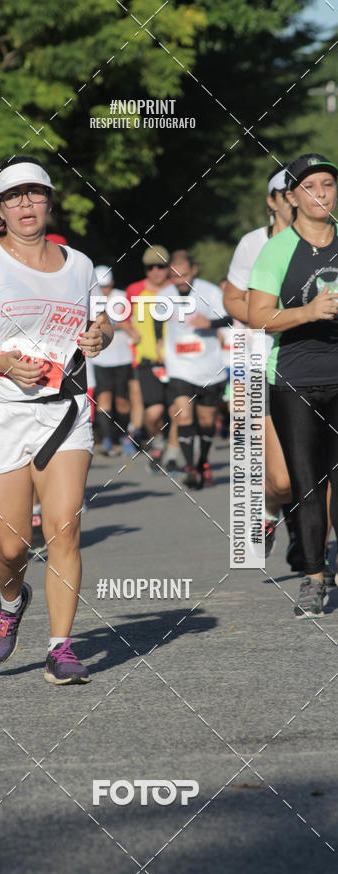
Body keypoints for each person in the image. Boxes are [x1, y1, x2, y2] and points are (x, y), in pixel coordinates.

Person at [0, 155, 113, 684]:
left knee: (64, 528)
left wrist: (100, 336)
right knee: (12, 545)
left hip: (65, 412)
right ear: (0, 208)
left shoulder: (79, 265)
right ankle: (11, 600)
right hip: (1, 413)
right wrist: (2, 364)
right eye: (13, 197)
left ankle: (61, 649)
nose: (25, 204)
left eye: (34, 194)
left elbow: (99, 322)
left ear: (49, 200)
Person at [249, 152, 338, 617]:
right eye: (309, 187)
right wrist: (308, 312)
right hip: (295, 382)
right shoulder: (278, 249)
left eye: (327, 184)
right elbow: (257, 316)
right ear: (291, 197)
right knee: (306, 483)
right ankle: (313, 577)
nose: (320, 194)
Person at [223, 163, 298, 560]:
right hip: (257, 363)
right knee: (283, 481)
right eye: (286, 192)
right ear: (272, 201)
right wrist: (266, 315)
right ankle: (269, 511)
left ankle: (313, 555)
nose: (294, 198)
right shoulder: (254, 243)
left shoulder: (324, 240)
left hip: (313, 361)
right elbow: (231, 300)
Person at [166, 250, 231, 488]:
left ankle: (203, 461)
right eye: (175, 276)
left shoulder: (210, 291)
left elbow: (231, 318)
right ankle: (190, 466)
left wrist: (211, 322)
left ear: (193, 271)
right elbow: (152, 321)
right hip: (179, 367)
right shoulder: (163, 295)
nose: (179, 281)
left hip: (209, 367)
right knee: (183, 415)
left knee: (206, 420)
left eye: (184, 275)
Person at [124, 245, 174, 466]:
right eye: (150, 267)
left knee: (176, 409)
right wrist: (130, 331)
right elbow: (119, 316)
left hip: (176, 360)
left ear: (168, 268)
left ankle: (175, 451)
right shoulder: (134, 290)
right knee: (154, 412)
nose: (155, 271)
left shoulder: (176, 289)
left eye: (161, 266)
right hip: (146, 360)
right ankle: (158, 439)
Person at [92, 266, 133, 455]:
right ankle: (107, 439)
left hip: (123, 358)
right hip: (101, 359)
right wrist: (118, 325)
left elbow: (131, 323)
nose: (104, 290)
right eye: (100, 286)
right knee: (104, 399)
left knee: (123, 401)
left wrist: (123, 326)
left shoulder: (122, 297)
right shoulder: (91, 299)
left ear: (112, 283)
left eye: (106, 286)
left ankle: (124, 436)